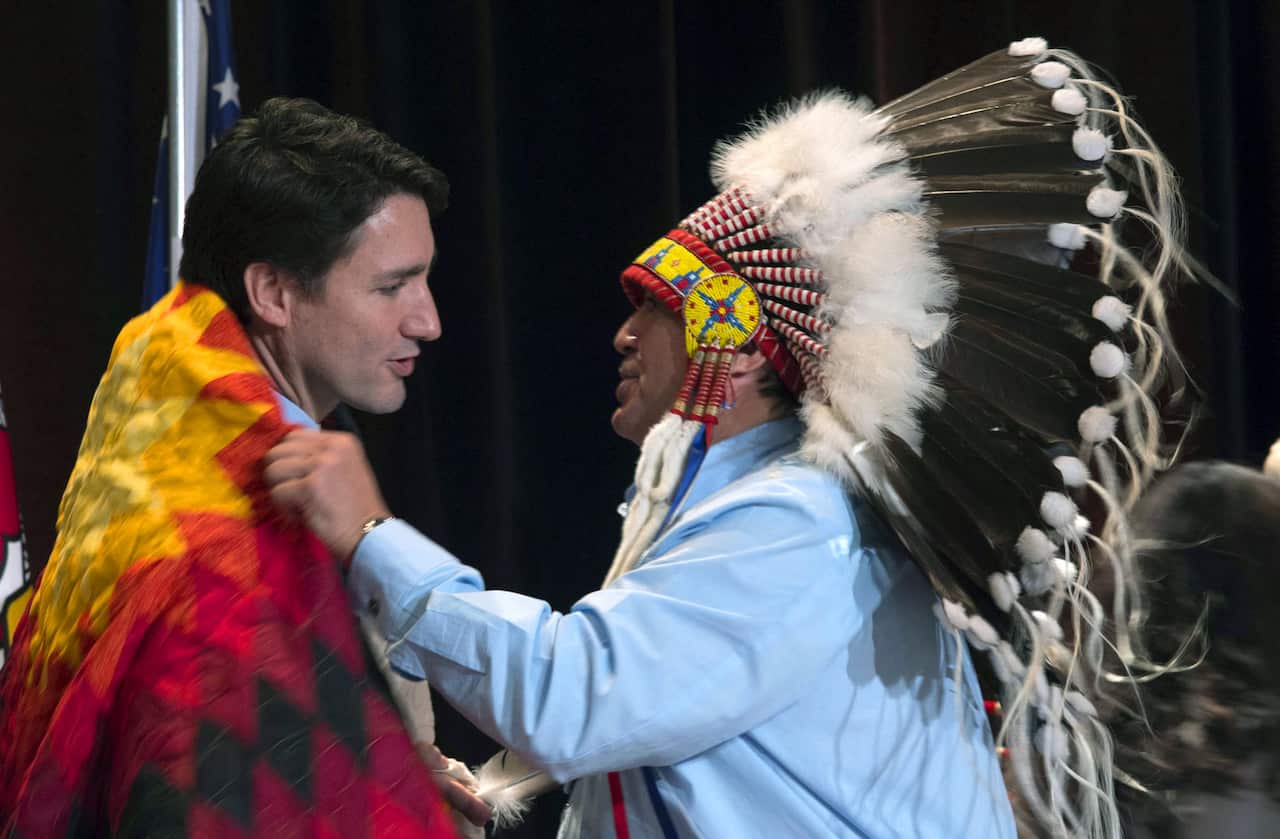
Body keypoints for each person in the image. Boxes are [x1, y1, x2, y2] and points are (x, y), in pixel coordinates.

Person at [266, 38, 1202, 838]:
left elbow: (577, 697)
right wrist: (495, 787)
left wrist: (371, 536)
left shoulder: (801, 524)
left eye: (658, 310)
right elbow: (659, 729)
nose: (624, 334)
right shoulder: (755, 512)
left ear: (745, 351)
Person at [0, 97, 487, 836]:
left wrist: (380, 757)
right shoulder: (224, 566)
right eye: (392, 287)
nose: (428, 320)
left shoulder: (160, 418)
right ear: (273, 294)